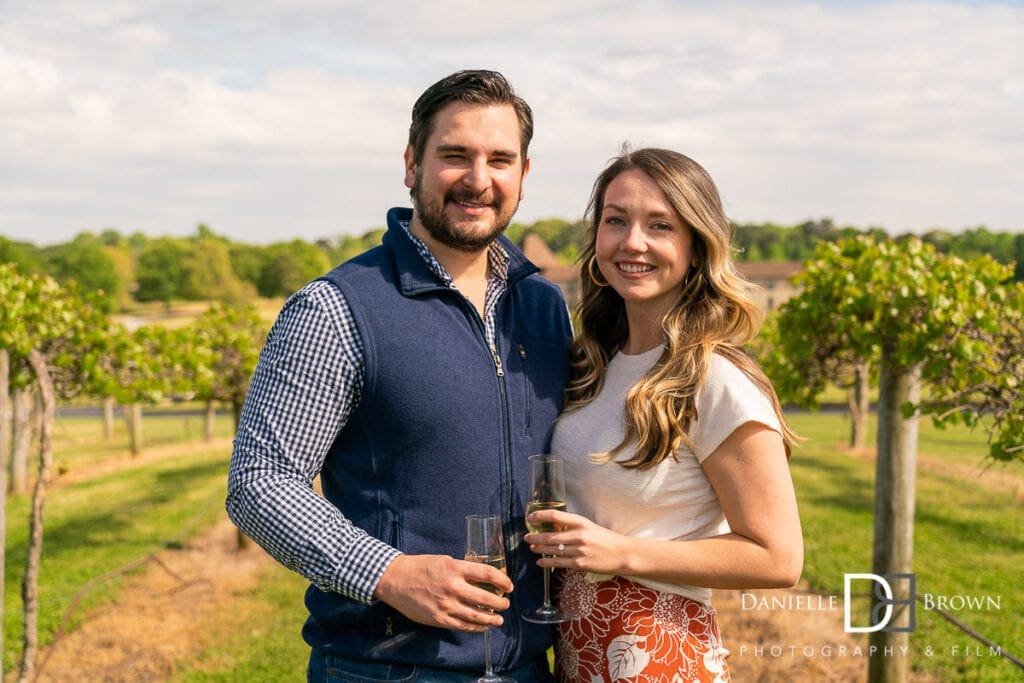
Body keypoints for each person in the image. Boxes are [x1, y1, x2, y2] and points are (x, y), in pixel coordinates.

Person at [227, 69, 572, 682]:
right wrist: (388, 573)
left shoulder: (545, 308)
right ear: (412, 164)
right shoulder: (337, 308)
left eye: (500, 159)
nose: (478, 178)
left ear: (523, 174)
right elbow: (260, 483)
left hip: (529, 667)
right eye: (455, 155)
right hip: (389, 669)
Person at [524, 147, 803, 682]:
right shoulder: (591, 365)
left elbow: (778, 558)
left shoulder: (715, 379)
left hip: (661, 657)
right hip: (579, 657)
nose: (633, 242)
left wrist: (622, 553)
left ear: (697, 248)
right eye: (616, 221)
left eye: (660, 226)